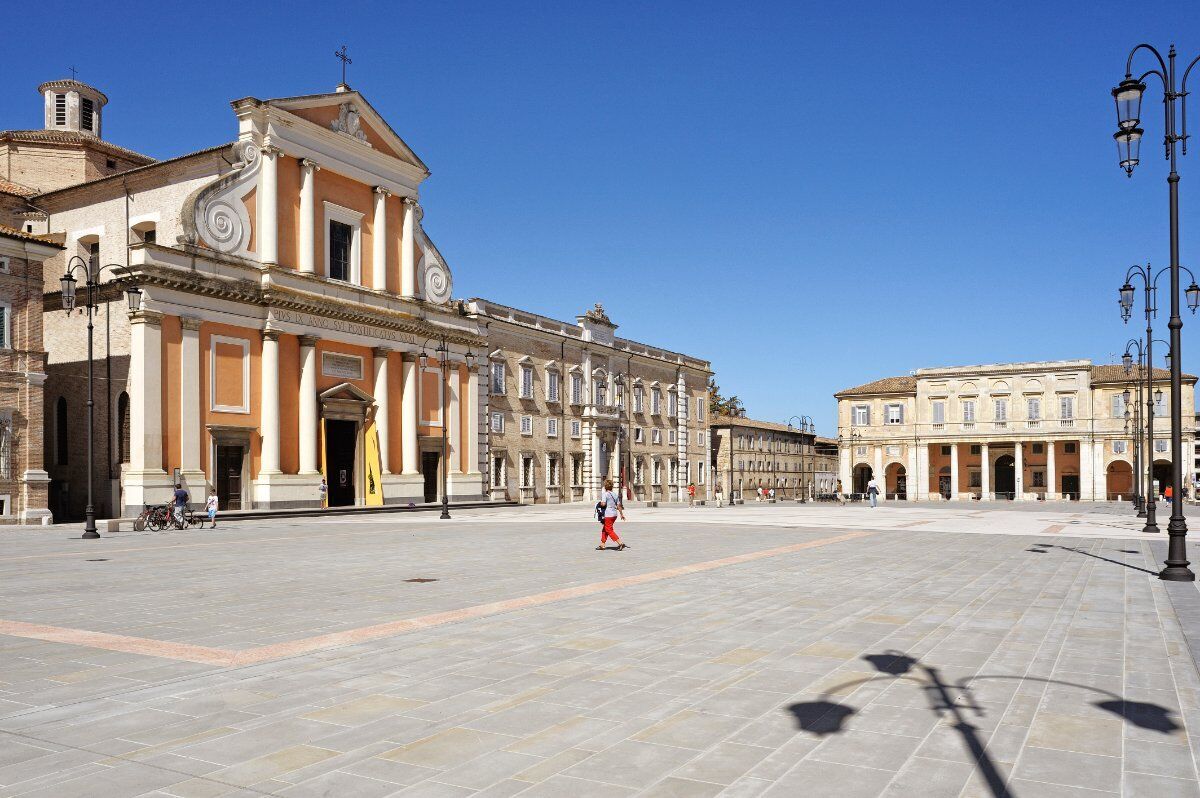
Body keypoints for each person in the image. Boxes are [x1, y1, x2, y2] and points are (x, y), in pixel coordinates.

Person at [596, 478, 627, 550]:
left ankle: (620, 543)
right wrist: (622, 514)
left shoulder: (605, 494)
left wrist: (599, 503)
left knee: (609, 530)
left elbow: (603, 504)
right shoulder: (615, 495)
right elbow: (619, 506)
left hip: (608, 515)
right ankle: (602, 544)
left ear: (605, 486)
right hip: (614, 515)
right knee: (605, 529)